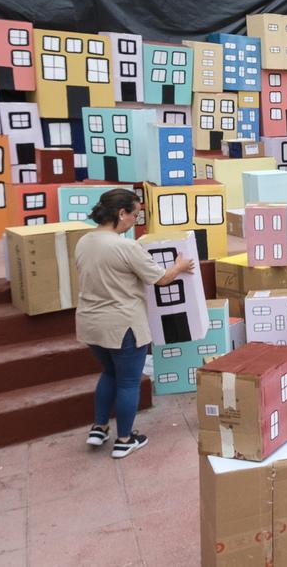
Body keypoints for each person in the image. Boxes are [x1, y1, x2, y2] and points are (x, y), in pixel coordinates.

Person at [76, 189, 195, 458]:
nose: (135, 220)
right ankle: (124, 439)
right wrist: (179, 266)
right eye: (135, 215)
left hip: (90, 323)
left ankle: (99, 427)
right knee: (129, 382)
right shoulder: (125, 247)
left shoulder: (84, 241)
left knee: (109, 373)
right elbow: (161, 278)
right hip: (122, 325)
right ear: (121, 214)